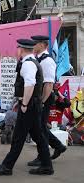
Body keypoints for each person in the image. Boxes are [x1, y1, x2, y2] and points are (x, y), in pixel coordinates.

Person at [0, 39, 53, 175]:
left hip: (29, 105)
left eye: (18, 48)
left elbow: (29, 85)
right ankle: (47, 166)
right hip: (33, 104)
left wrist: (24, 103)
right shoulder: (32, 62)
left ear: (21, 49)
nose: (17, 51)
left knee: (19, 137)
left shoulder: (28, 64)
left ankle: (7, 166)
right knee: (38, 136)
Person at [27, 35, 67, 167]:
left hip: (45, 96)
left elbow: (49, 84)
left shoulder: (47, 61)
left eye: (35, 43)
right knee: (40, 127)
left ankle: (42, 155)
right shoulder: (39, 59)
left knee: (39, 127)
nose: (33, 46)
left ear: (43, 45)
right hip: (40, 96)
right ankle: (57, 146)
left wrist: (42, 101)